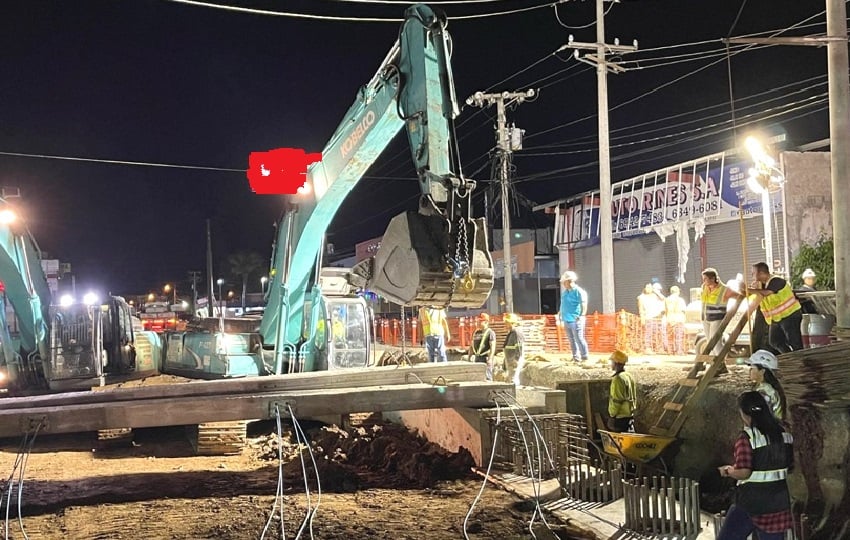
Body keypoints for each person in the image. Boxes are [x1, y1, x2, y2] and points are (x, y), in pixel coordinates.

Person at [716, 391, 794, 540]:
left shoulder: (747, 437)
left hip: (750, 504)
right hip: (778, 505)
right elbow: (790, 466)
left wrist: (728, 471)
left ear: (745, 414)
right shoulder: (785, 434)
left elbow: (744, 472)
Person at [747, 262, 803, 353]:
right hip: (776, 318)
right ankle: (789, 357)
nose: (752, 275)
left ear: (761, 273)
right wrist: (745, 290)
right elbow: (753, 294)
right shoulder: (761, 285)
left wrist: (748, 289)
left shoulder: (776, 281)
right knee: (774, 341)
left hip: (790, 315)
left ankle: (801, 361)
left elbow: (766, 293)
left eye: (753, 273)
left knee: (794, 342)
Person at [700, 268, 737, 356]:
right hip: (705, 318)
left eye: (705, 279)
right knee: (710, 343)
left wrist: (732, 310)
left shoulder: (725, 289)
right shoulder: (705, 287)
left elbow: (739, 296)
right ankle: (715, 363)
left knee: (716, 343)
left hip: (717, 319)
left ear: (712, 279)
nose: (703, 281)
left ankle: (720, 364)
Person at [746, 349, 786, 421]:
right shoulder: (765, 388)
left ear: (762, 371)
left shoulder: (765, 391)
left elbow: (759, 416)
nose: (750, 371)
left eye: (752, 368)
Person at [559, 271, 589, 362]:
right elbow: (563, 304)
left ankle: (584, 356)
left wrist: (581, 315)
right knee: (571, 340)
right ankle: (576, 357)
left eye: (565, 282)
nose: (564, 284)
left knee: (579, 338)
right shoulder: (565, 293)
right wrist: (560, 313)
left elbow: (583, 304)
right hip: (566, 320)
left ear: (570, 281)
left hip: (575, 320)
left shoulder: (579, 291)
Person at [607, 350, 637, 433]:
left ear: (616, 363)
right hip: (629, 415)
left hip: (619, 418)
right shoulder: (629, 376)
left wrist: (612, 414)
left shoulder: (618, 379)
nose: (611, 364)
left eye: (612, 362)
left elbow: (617, 400)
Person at [637, 283, 665, 354]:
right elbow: (641, 309)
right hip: (648, 318)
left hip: (657, 317)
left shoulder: (655, 296)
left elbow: (663, 299)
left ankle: (659, 348)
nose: (649, 289)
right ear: (644, 288)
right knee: (648, 334)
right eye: (647, 287)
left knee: (659, 333)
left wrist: (656, 291)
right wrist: (642, 318)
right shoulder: (641, 297)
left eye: (650, 287)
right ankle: (648, 348)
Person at [470, 313, 496, 381]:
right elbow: (471, 345)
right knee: (478, 377)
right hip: (477, 357)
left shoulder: (490, 333)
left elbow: (492, 347)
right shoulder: (476, 332)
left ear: (486, 322)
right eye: (478, 321)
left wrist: (490, 359)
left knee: (487, 377)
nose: (478, 323)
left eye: (480, 321)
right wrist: (469, 356)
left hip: (485, 358)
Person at [663, 285, 687, 355]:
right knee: (678, 336)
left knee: (670, 336)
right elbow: (683, 310)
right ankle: (679, 351)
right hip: (679, 319)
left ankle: (670, 351)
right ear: (678, 292)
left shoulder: (667, 300)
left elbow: (666, 310)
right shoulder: (680, 300)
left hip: (670, 319)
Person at [502, 313, 525, 385]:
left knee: (513, 380)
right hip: (510, 360)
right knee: (511, 378)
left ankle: (515, 394)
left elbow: (519, 347)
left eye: (506, 322)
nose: (505, 324)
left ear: (511, 322)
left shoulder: (516, 332)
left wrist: (516, 360)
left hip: (514, 360)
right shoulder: (511, 333)